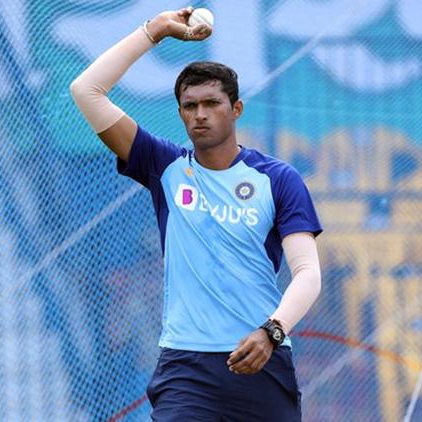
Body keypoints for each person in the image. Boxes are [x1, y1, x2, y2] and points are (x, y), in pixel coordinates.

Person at [70, 7, 323, 421]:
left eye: (211, 103)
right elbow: (86, 89)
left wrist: (272, 332)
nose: (200, 114)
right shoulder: (164, 166)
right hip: (186, 369)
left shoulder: (278, 179)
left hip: (262, 357)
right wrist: (154, 31)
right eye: (189, 106)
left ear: (236, 109)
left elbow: (308, 273)